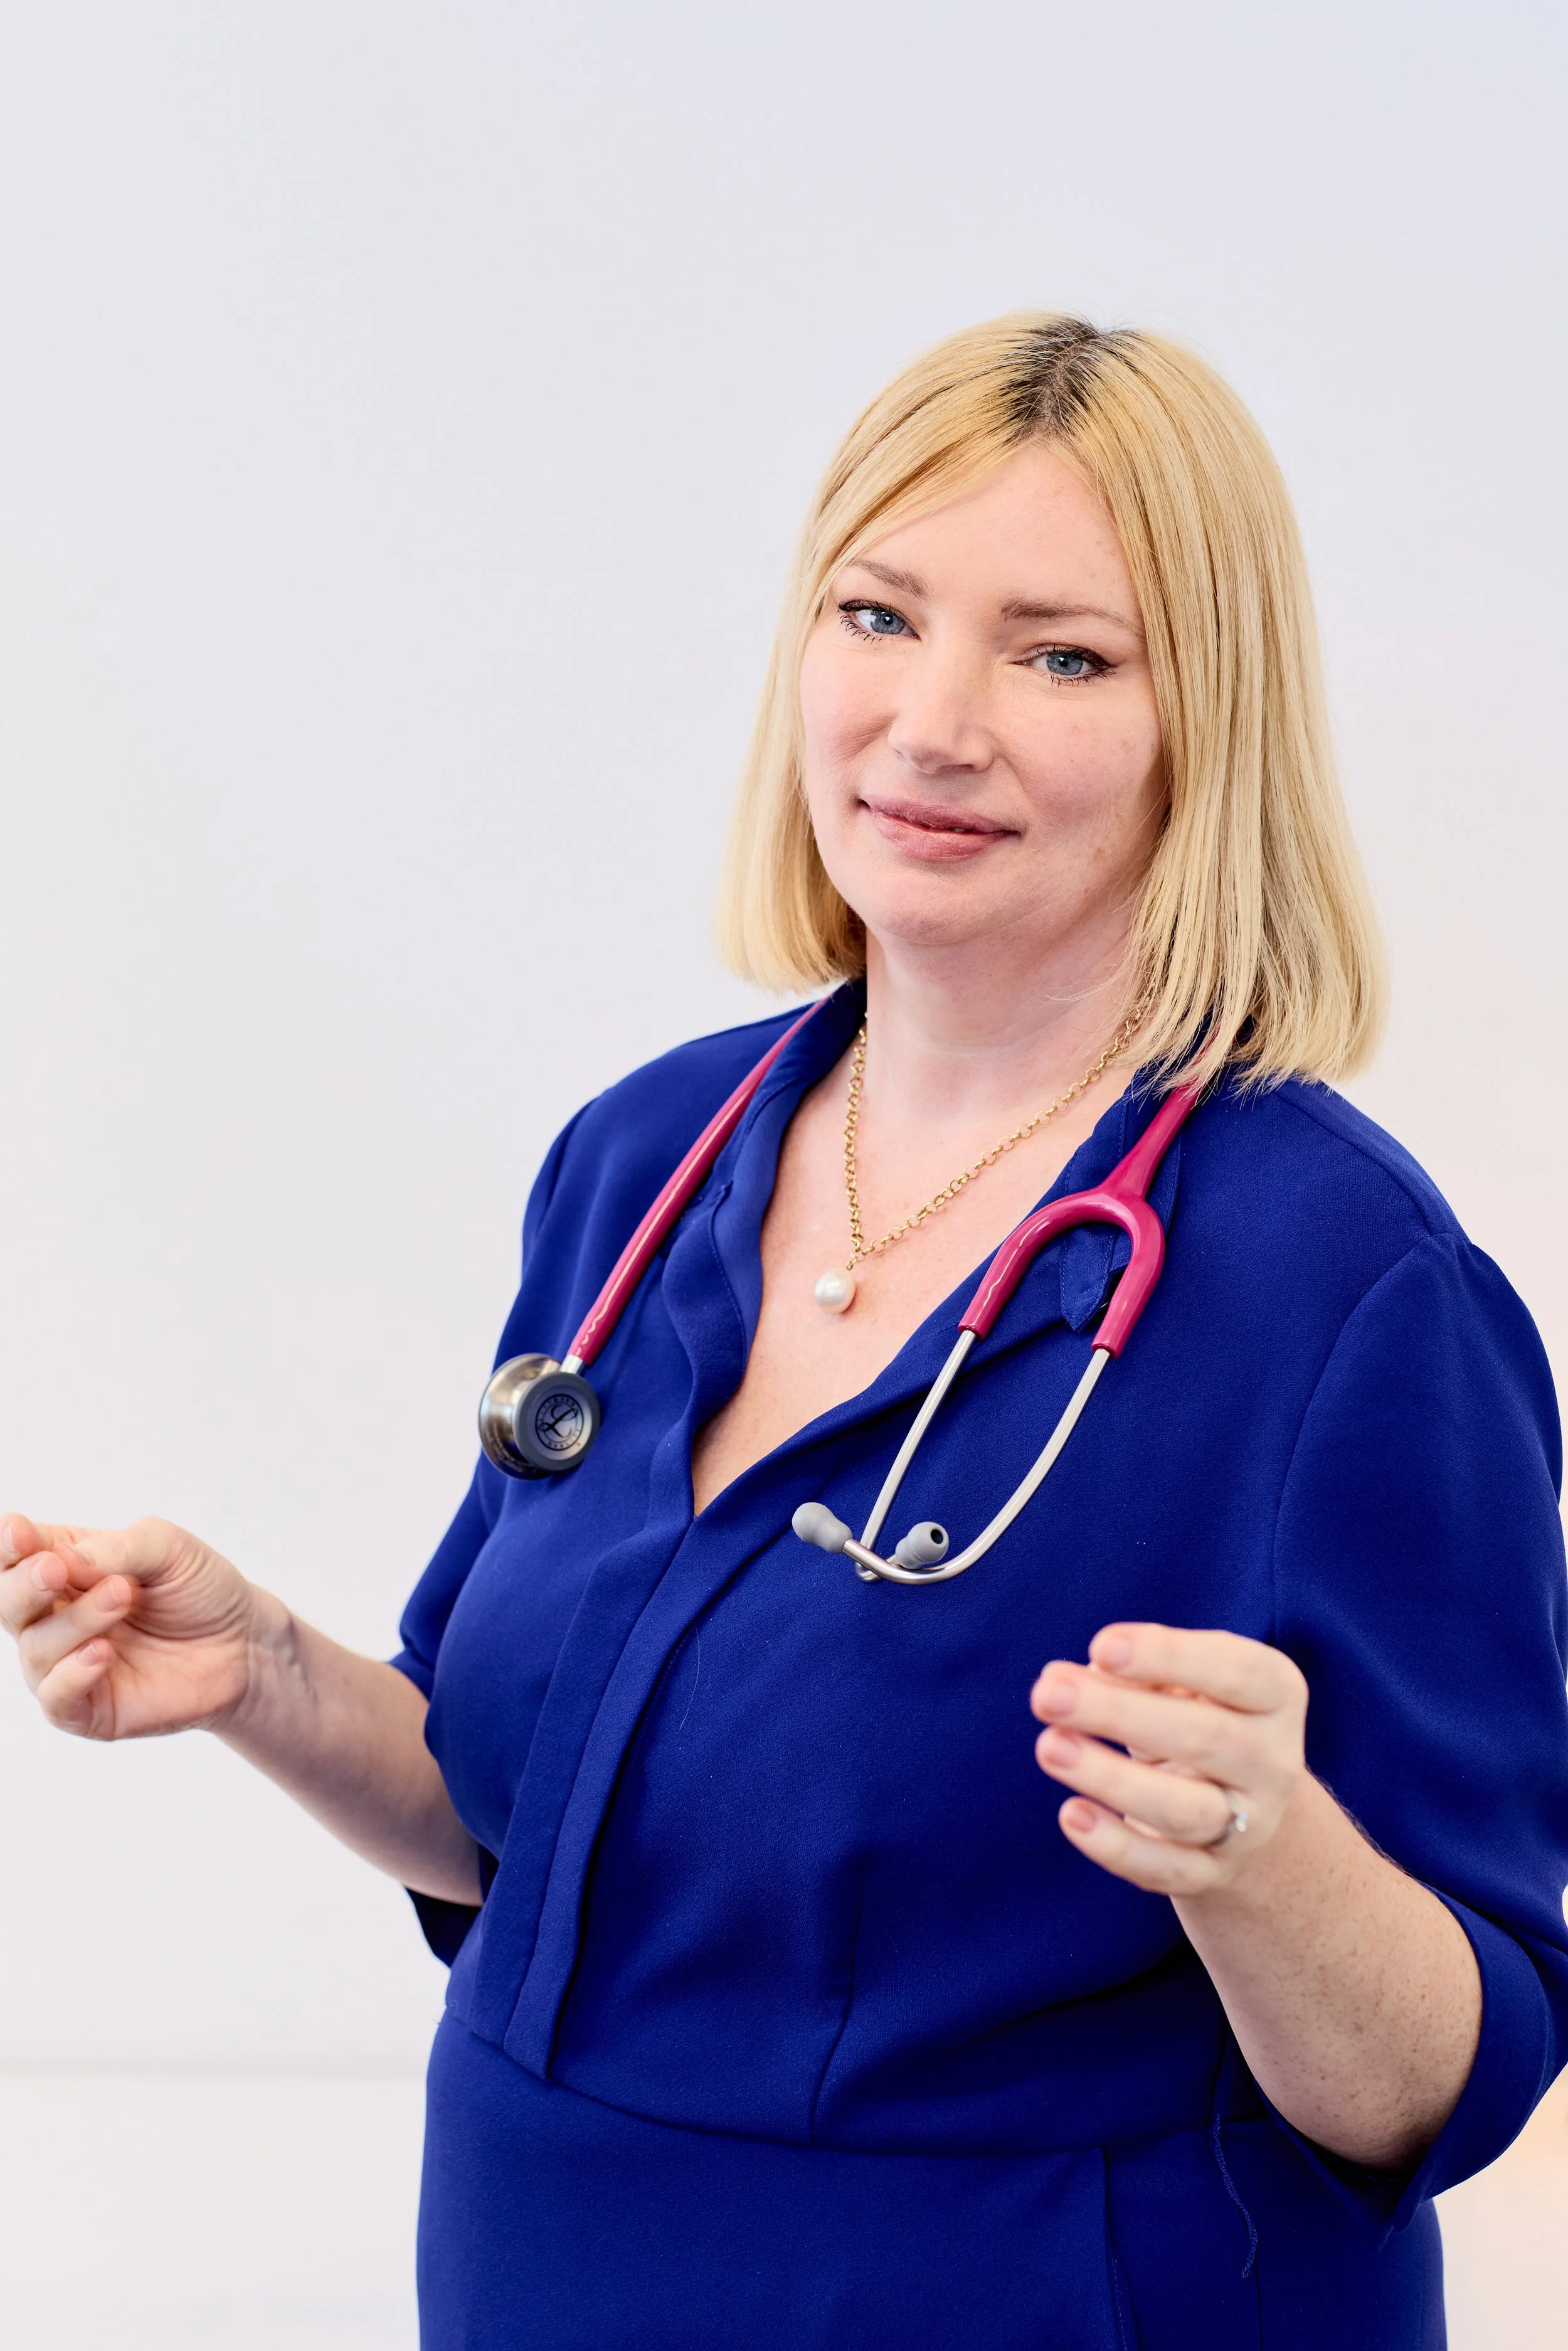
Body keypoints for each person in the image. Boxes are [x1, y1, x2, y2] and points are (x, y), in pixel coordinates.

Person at [4, 312, 1566, 2350]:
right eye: (877, 612)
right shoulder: (652, 1154)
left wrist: (1262, 1858)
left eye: (1059, 651)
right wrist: (268, 1676)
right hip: (542, 2273)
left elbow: (1444, 2079)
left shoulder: (1341, 1294)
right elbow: (528, 1838)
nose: (930, 721)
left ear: (1211, 726)